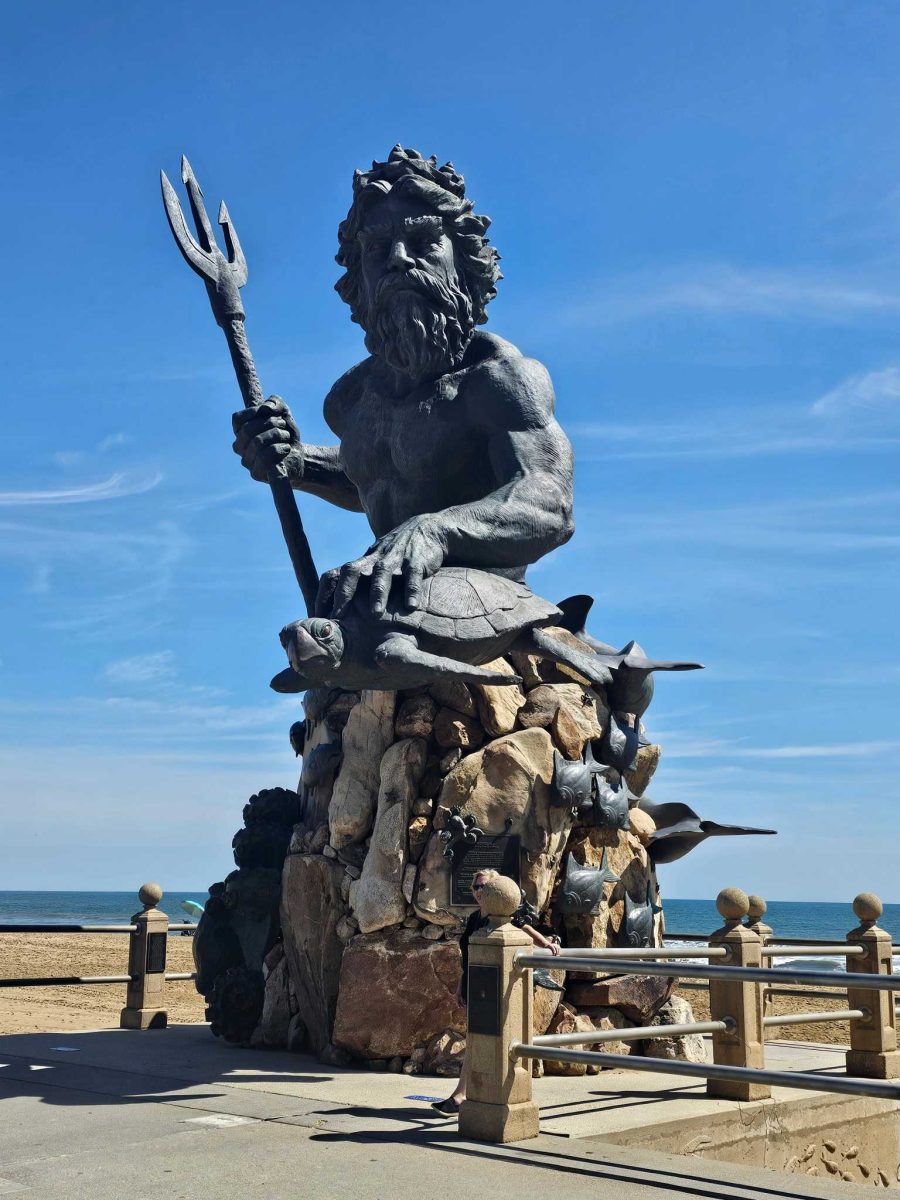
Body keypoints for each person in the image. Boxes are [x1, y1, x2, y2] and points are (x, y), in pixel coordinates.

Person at [231, 147, 574, 620]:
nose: (397, 259)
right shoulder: (351, 400)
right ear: (359, 275)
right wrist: (298, 462)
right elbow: (382, 473)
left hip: (488, 605)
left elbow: (549, 504)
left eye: (423, 242)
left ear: (464, 262)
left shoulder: (500, 379)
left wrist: (436, 530)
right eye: (376, 249)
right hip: (390, 599)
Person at [430, 868, 560, 1116]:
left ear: (496, 890)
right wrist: (460, 985)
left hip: (491, 988)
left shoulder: (503, 917)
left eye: (485, 887)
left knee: (478, 1039)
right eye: (476, 887)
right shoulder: (474, 919)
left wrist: (546, 943)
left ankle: (461, 1096)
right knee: (476, 1039)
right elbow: (468, 956)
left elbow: (525, 928)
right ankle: (467, 1094)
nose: (480, 891)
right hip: (474, 983)